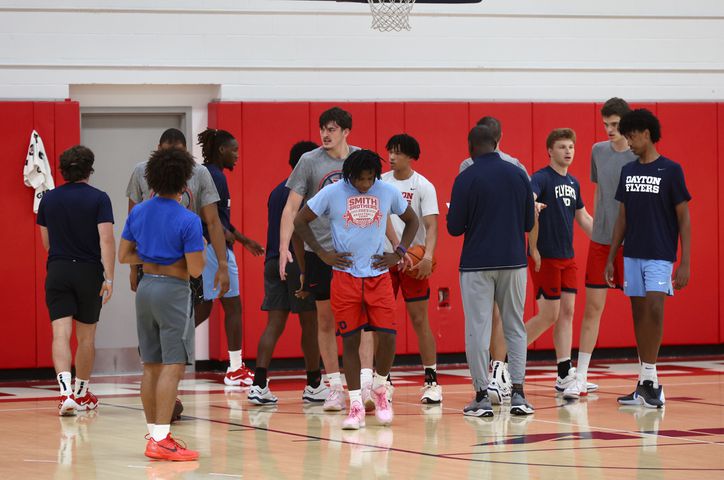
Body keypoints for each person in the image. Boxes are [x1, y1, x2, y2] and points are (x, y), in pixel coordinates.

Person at [294, 149, 419, 430]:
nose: (364, 184)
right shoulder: (333, 192)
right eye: (359, 179)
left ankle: (379, 387)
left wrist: (398, 252)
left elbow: (413, 220)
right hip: (345, 277)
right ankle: (355, 405)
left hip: (378, 275)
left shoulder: (386, 191)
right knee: (349, 341)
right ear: (349, 176)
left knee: (387, 337)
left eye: (369, 178)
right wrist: (323, 254)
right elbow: (300, 221)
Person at [279, 107, 375, 412]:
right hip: (321, 251)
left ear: (346, 131)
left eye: (332, 129)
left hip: (358, 253)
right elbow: (291, 209)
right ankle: (334, 387)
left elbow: (380, 202)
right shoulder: (309, 161)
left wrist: (395, 245)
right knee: (325, 320)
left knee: (364, 322)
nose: (325, 134)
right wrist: (284, 248)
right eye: (322, 128)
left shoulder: (361, 159)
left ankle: (366, 385)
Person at [126, 128, 237, 386]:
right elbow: (132, 225)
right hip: (151, 266)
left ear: (187, 153)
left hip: (185, 267)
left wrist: (222, 264)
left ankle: (169, 393)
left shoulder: (200, 174)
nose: (172, 161)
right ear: (158, 150)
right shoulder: (141, 172)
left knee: (180, 335)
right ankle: (159, 393)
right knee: (152, 337)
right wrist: (133, 268)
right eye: (167, 154)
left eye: (178, 155)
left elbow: (213, 220)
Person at [119, 147, 204, 461]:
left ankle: (155, 435)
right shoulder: (188, 219)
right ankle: (161, 438)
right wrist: (197, 250)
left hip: (146, 288)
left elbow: (124, 256)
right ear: (184, 181)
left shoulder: (138, 211)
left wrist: (153, 257)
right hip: (173, 293)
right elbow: (195, 269)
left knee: (151, 366)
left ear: (151, 178)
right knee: (173, 365)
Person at [448, 125, 535, 418]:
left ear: (470, 147)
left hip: (476, 264)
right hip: (514, 261)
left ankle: (481, 397)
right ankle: (520, 394)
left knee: (478, 329)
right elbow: (528, 222)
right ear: (497, 143)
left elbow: (454, 227)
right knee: (515, 326)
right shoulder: (518, 173)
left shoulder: (465, 177)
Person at [607, 109, 691, 408]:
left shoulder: (671, 170)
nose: (628, 141)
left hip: (660, 254)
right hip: (632, 254)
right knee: (638, 315)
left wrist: (685, 261)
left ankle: (652, 380)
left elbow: (684, 217)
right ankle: (646, 383)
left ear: (646, 133)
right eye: (625, 135)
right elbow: (622, 217)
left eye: (631, 135)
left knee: (655, 310)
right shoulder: (628, 171)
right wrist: (612, 255)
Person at [247, 141, 329, 405]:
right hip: (297, 259)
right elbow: (299, 231)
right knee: (310, 322)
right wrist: (308, 267)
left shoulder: (275, 191)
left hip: (273, 261)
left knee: (274, 324)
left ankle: (259, 384)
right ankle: (314, 383)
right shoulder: (303, 192)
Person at [38, 145, 115, 416]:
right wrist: (109, 277)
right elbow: (106, 239)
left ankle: (65, 394)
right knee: (86, 338)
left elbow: (46, 242)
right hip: (88, 271)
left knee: (60, 334)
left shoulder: (48, 199)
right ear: (89, 169)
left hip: (58, 269)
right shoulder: (99, 198)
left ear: (63, 170)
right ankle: (81, 393)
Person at [524, 128, 593, 399]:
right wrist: (534, 247)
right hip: (545, 257)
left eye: (571, 147)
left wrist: (609, 241)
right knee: (548, 315)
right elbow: (528, 200)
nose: (568, 151)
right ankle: (504, 360)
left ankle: (564, 373)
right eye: (562, 147)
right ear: (550, 150)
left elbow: (584, 218)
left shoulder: (574, 183)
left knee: (567, 313)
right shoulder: (540, 178)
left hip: (568, 257)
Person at [574, 98, 636, 395]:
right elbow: (602, 192)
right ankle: (581, 376)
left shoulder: (639, 157)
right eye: (606, 125)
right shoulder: (597, 151)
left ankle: (647, 377)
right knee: (592, 309)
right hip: (601, 241)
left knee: (642, 310)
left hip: (633, 242)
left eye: (615, 125)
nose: (609, 130)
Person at [195, 128, 265, 386]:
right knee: (232, 306)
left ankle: (161, 343)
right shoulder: (215, 177)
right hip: (215, 248)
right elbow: (209, 218)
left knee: (203, 306)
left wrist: (244, 241)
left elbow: (221, 220)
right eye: (233, 150)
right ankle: (235, 368)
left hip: (213, 247)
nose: (237, 155)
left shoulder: (211, 174)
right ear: (222, 150)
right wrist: (228, 244)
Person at [382, 134, 442, 404]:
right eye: (390, 152)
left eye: (397, 152)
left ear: (410, 156)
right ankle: (383, 381)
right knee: (381, 323)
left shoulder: (423, 186)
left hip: (412, 262)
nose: (392, 156)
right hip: (384, 260)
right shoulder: (380, 182)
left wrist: (428, 256)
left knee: (420, 321)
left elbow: (431, 226)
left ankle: (431, 380)